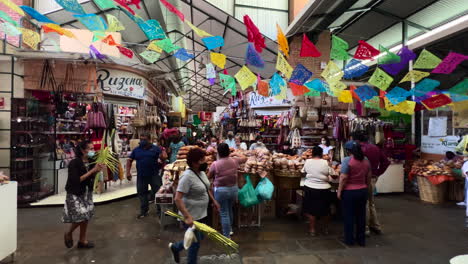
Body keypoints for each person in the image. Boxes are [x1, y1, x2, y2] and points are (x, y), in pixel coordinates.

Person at [169, 148, 220, 264]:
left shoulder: (201, 173)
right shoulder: (186, 177)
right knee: (194, 244)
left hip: (201, 213)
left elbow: (206, 189)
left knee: (199, 237)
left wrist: (214, 201)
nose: (205, 161)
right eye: (202, 160)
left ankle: (176, 247)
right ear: (194, 162)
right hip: (191, 215)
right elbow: (177, 198)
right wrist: (187, 217)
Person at [63, 140, 104, 249]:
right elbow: (76, 180)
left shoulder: (91, 161)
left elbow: (91, 177)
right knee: (82, 216)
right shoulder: (74, 163)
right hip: (75, 193)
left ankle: (82, 240)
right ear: (82, 150)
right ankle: (68, 232)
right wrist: (93, 171)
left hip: (87, 192)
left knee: (86, 216)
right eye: (90, 149)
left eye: (93, 148)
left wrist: (97, 171)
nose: (93, 151)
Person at [352, 131, 390, 235]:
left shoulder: (359, 150)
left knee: (364, 203)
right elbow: (386, 162)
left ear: (356, 140)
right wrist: (378, 172)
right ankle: (376, 225)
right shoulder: (375, 148)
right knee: (371, 202)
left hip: (362, 179)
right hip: (373, 177)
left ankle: (365, 228)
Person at [208, 143, 247, 238]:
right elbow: (245, 158)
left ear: (219, 153)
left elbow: (209, 176)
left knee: (224, 212)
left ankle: (226, 237)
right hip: (233, 190)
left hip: (221, 191)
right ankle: (229, 230)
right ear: (228, 152)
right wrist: (235, 154)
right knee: (229, 209)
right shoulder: (234, 161)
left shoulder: (215, 164)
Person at [338, 141, 372, 247]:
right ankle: (361, 240)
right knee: (361, 216)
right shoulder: (366, 160)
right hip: (362, 191)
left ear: (348, 151)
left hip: (349, 192)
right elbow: (369, 177)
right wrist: (366, 187)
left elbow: (343, 178)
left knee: (349, 216)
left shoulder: (347, 160)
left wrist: (339, 191)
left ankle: (349, 240)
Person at [127, 132, 168, 219]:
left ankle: (160, 211)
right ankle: (144, 211)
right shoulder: (136, 150)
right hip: (141, 176)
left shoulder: (156, 149)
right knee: (142, 194)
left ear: (150, 140)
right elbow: (129, 160)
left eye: (144, 140)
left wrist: (163, 155)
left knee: (159, 193)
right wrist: (128, 172)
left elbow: (163, 157)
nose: (142, 141)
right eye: (141, 139)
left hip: (154, 175)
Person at [301, 146, 335, 236]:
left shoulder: (307, 161)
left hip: (310, 187)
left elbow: (303, 171)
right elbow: (332, 173)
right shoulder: (325, 162)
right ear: (321, 154)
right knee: (326, 209)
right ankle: (326, 229)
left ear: (312, 153)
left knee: (311, 209)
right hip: (324, 188)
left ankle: (312, 230)